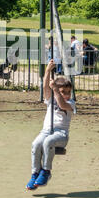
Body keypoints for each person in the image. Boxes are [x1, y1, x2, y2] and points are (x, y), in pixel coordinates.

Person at [26, 59, 76, 190]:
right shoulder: (50, 100)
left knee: (48, 142)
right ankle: (35, 173)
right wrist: (48, 70)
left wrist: (56, 91)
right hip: (46, 131)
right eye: (63, 92)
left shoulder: (71, 104)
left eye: (68, 92)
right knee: (36, 144)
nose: (66, 95)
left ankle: (46, 172)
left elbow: (62, 105)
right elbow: (45, 88)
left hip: (61, 134)